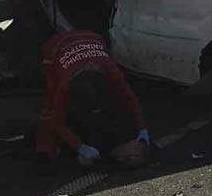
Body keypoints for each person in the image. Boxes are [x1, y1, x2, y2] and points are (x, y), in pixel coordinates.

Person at [35, 29, 151, 166]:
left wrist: (142, 128)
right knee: (50, 108)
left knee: (113, 106)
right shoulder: (63, 85)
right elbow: (57, 121)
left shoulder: (111, 72)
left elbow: (131, 100)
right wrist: (80, 147)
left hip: (93, 38)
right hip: (55, 47)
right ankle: (45, 149)